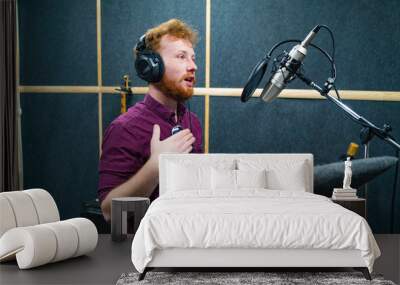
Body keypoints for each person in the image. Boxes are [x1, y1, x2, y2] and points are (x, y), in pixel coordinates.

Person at [98, 19, 203, 221]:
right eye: (181, 57)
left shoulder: (193, 122)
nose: (193, 66)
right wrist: (155, 166)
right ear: (151, 67)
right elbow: (109, 211)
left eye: (193, 58)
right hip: (143, 248)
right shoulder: (125, 128)